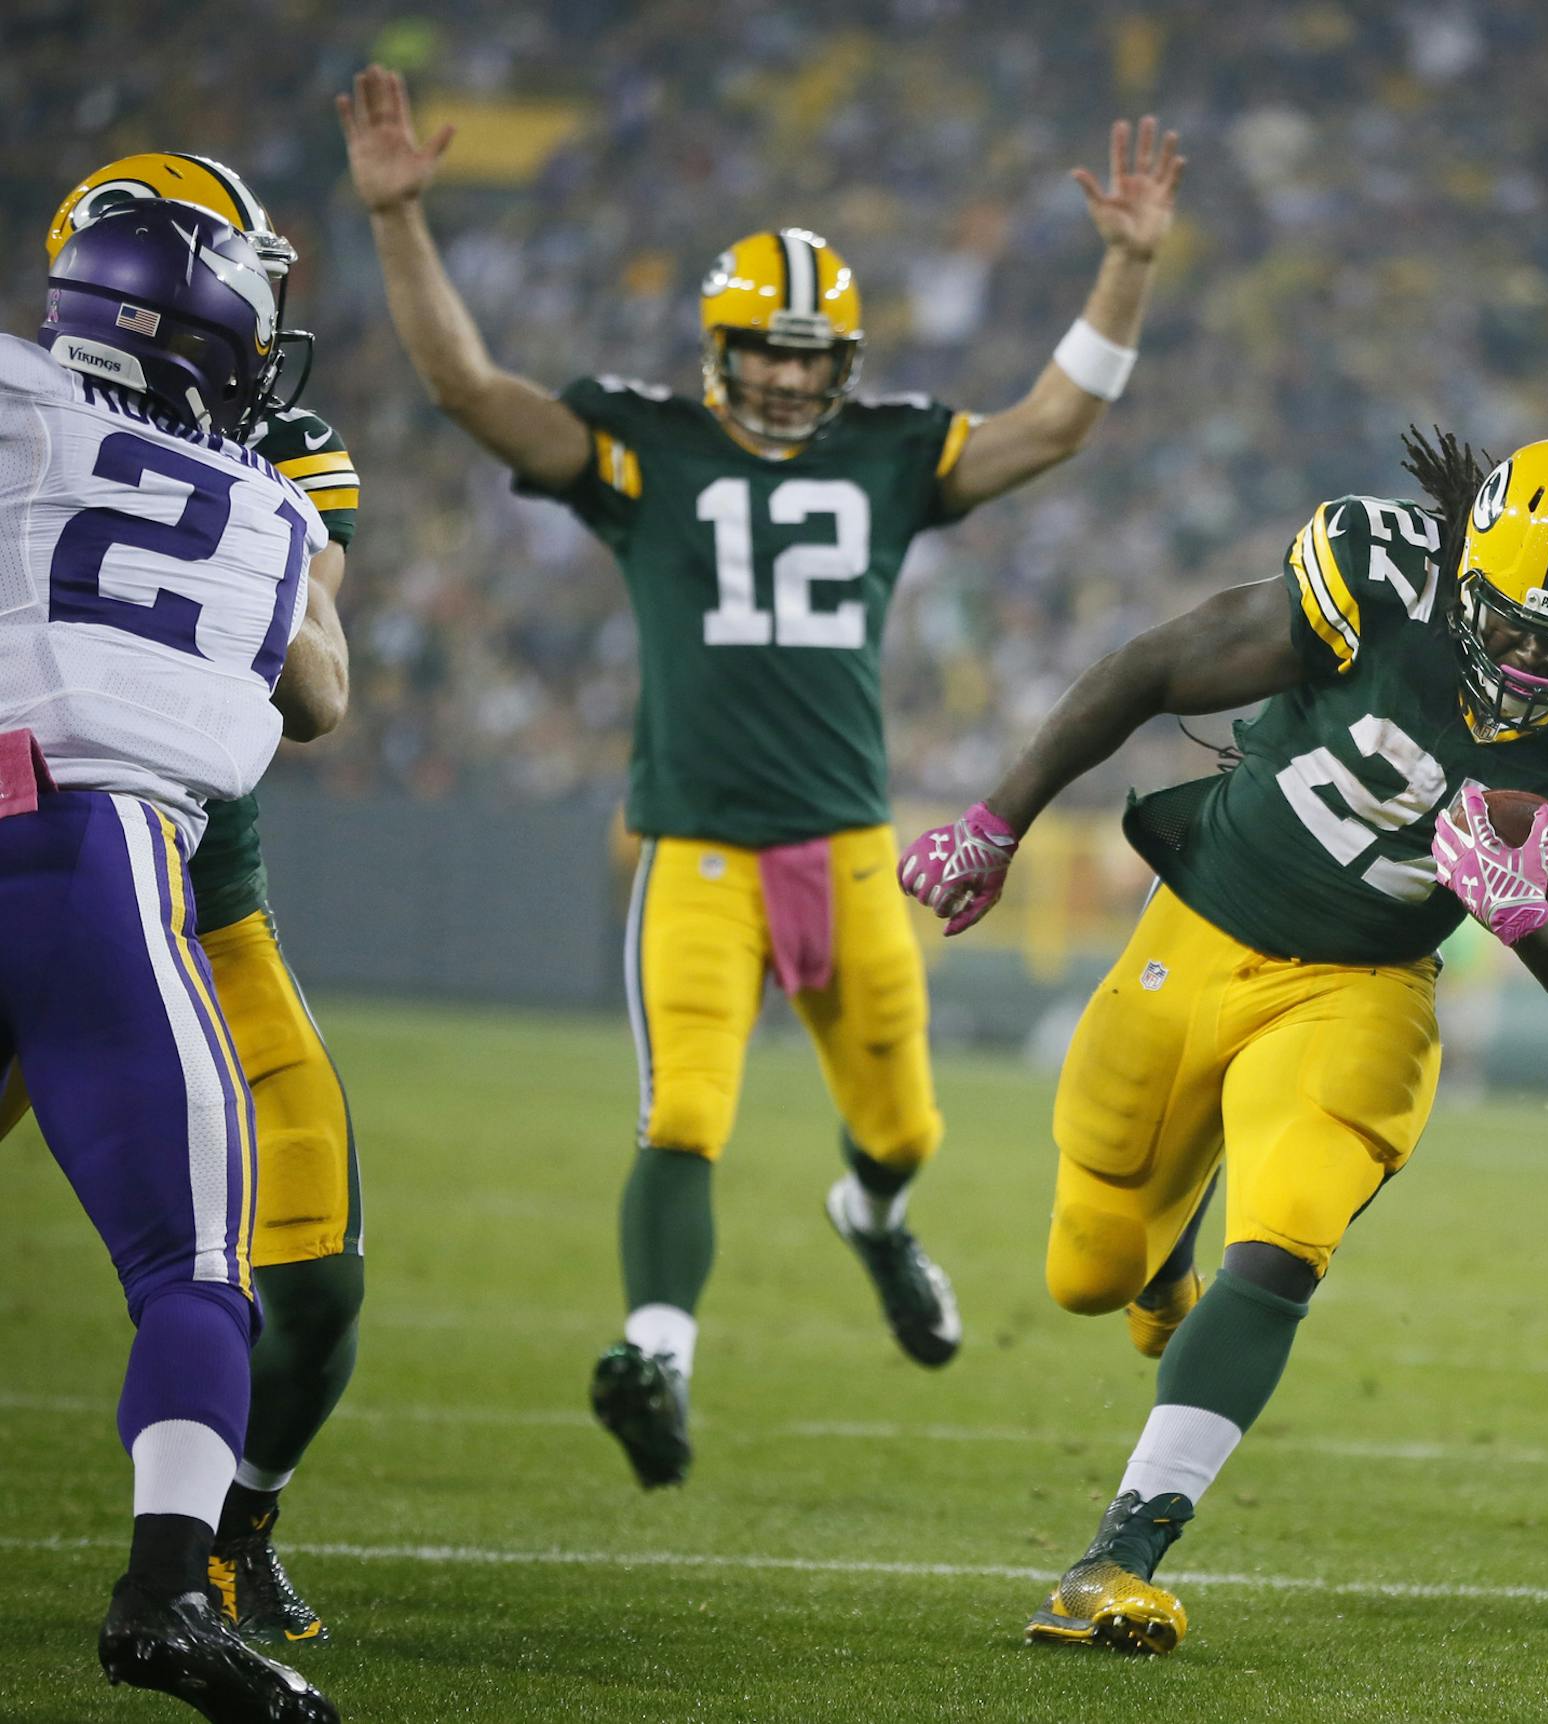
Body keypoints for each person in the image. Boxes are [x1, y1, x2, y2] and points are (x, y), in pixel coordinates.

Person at [336, 64, 1183, 1487]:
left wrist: (1125, 266)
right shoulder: (643, 445)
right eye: (764, 350)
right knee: (684, 1116)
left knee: (906, 1130)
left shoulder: (885, 455)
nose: (788, 375)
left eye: (810, 355)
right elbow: (467, 389)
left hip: (848, 854)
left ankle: (871, 1215)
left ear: (841, 363)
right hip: (698, 854)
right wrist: (400, 225)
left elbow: (1054, 423)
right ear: (721, 346)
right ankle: (656, 1349)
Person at [900, 433, 1548, 1652]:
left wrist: (1525, 916)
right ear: (1465, 569)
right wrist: (995, 822)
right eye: (1513, 623)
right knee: (1090, 1273)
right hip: (1198, 932)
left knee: (1284, 1240)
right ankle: (1165, 1255)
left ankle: (1117, 1556)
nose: (1537, 659)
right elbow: (1153, 666)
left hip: (1366, 985)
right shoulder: (1380, 578)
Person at [5, 200, 340, 1721]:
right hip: (90, 852)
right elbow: (318, 694)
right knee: (197, 1269)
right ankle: (165, 1595)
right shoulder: (269, 509)